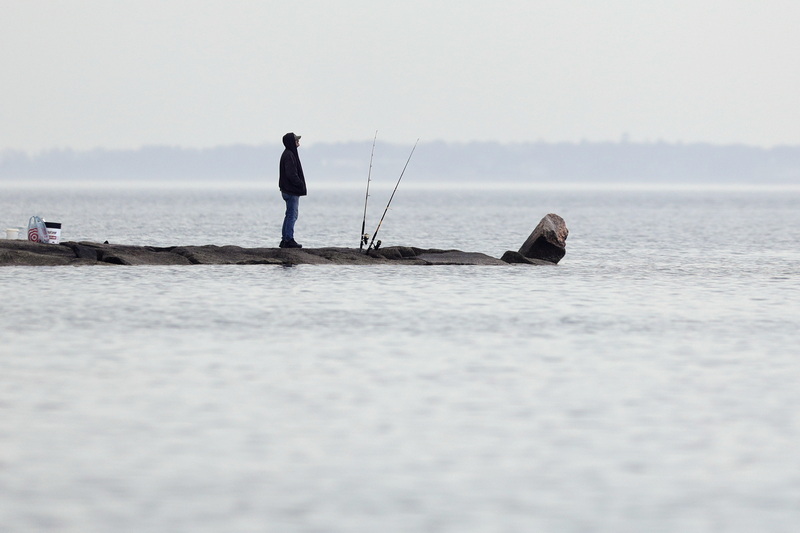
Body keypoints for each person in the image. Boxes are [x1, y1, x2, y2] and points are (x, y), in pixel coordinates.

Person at [278, 132, 307, 248]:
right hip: (291, 191)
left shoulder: (287, 154)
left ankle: (285, 239)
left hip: (287, 190)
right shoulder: (289, 155)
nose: (298, 144)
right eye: (297, 141)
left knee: (289, 214)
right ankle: (289, 239)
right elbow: (291, 174)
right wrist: (300, 184)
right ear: (291, 142)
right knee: (292, 215)